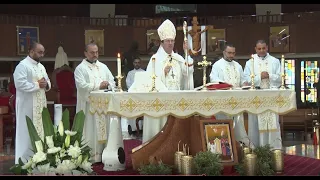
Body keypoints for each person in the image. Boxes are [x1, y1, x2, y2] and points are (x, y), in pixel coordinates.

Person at [142, 19, 194, 143]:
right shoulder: (155, 59)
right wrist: (162, 73)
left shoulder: (178, 58)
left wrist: (187, 53)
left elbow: (187, 72)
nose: (170, 43)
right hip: (161, 103)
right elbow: (149, 82)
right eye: (167, 41)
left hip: (176, 101)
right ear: (162, 42)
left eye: (172, 41)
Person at [74, 43, 115, 162]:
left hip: (103, 106)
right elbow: (81, 86)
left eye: (96, 52)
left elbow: (112, 81)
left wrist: (108, 85)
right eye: (92, 52)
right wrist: (99, 85)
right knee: (90, 130)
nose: (95, 55)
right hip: (89, 106)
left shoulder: (103, 66)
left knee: (104, 130)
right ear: (85, 53)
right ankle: (91, 155)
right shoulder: (80, 69)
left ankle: (105, 154)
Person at [13, 42, 51, 164]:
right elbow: (19, 84)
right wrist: (37, 85)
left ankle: (39, 158)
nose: (42, 55)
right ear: (31, 51)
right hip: (27, 105)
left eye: (43, 52)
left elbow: (47, 81)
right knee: (26, 132)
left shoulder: (41, 67)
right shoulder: (22, 66)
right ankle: (24, 161)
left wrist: (46, 85)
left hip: (40, 105)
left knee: (41, 130)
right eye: (40, 52)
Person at [243, 40, 282, 150]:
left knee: (272, 122)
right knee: (255, 123)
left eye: (263, 48)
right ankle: (256, 148)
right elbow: (245, 80)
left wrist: (269, 76)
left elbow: (280, 78)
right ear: (255, 49)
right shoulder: (250, 62)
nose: (261, 51)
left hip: (271, 96)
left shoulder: (274, 61)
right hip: (256, 97)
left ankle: (274, 148)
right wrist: (259, 77)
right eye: (259, 49)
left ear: (267, 48)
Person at [209, 43, 250, 146]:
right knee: (223, 124)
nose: (232, 55)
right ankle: (224, 147)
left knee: (238, 125)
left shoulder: (238, 66)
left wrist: (245, 83)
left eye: (233, 53)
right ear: (224, 52)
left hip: (237, 101)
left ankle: (240, 145)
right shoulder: (217, 65)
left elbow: (243, 81)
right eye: (229, 53)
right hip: (222, 100)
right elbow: (213, 80)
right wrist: (225, 85)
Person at [121, 57, 145, 139]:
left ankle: (141, 128)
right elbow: (128, 84)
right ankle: (132, 128)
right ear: (133, 63)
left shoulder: (144, 72)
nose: (137, 64)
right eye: (135, 62)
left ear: (141, 63)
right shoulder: (130, 73)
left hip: (142, 96)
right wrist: (134, 89)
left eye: (138, 62)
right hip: (133, 96)